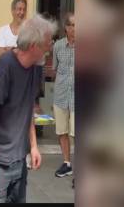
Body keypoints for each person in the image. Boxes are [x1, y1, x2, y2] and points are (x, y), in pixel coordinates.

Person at [0, 14, 56, 203]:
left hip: (19, 160)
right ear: (34, 46)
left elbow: (27, 108)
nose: (49, 49)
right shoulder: (5, 67)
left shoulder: (36, 68)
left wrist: (34, 146)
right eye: (47, 44)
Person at [52, 12, 75, 178]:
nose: (75, 28)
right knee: (62, 131)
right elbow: (55, 68)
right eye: (72, 25)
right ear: (66, 28)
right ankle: (67, 163)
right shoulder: (58, 46)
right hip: (60, 96)